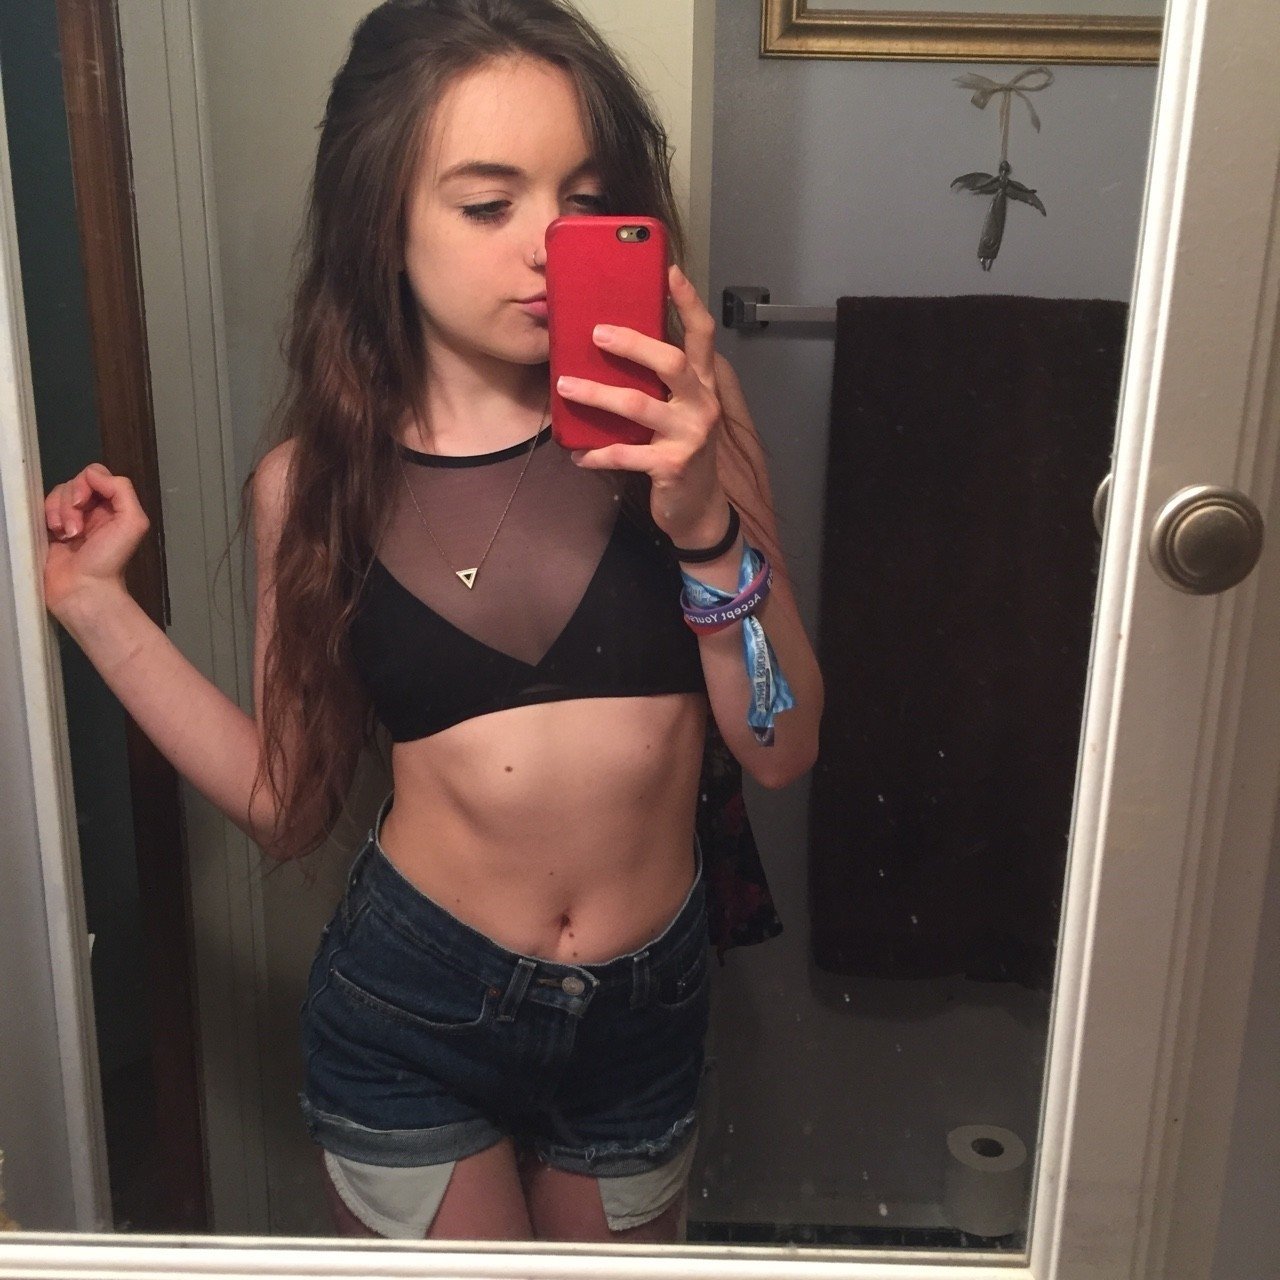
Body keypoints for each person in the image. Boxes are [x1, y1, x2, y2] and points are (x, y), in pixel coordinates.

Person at [42, 0, 822, 1245]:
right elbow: (290, 799)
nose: (544, 245)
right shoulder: (312, 484)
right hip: (412, 1000)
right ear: (380, 223)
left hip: (645, 1013)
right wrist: (94, 606)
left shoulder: (685, 418)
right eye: (486, 203)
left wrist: (703, 525)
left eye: (581, 199)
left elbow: (781, 746)